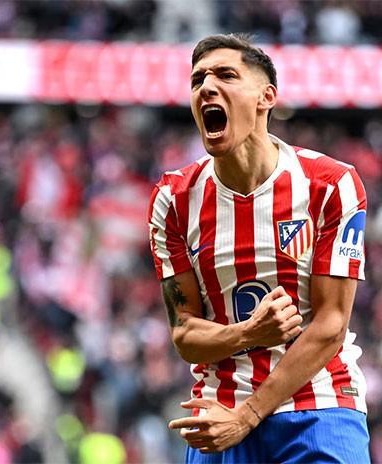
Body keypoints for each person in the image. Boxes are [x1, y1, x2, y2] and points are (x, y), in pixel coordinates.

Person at [147, 33, 370, 463]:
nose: (207, 87)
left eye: (226, 75)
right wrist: (249, 334)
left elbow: (330, 325)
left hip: (319, 405)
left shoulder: (330, 185)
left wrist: (248, 415)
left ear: (266, 97)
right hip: (220, 411)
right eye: (197, 80)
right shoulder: (172, 199)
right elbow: (184, 333)